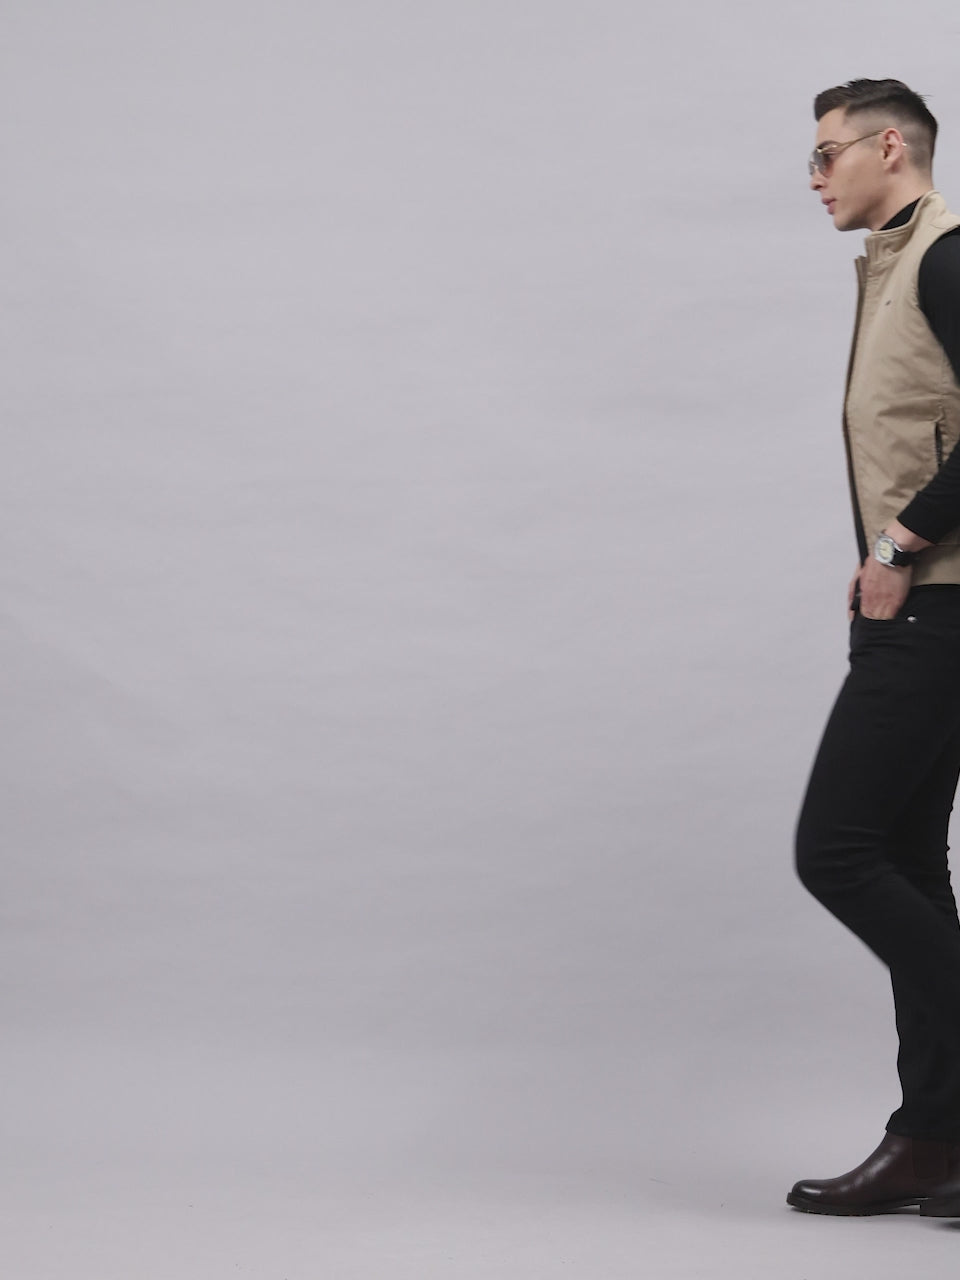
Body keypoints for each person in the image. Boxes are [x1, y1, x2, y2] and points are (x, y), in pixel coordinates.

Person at [790, 78, 960, 1217]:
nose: (814, 178)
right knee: (903, 857)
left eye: (826, 154)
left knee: (838, 852)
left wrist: (900, 542)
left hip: (941, 603)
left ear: (887, 146)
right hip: (917, 605)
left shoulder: (945, 257)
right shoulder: (896, 264)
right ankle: (936, 1139)